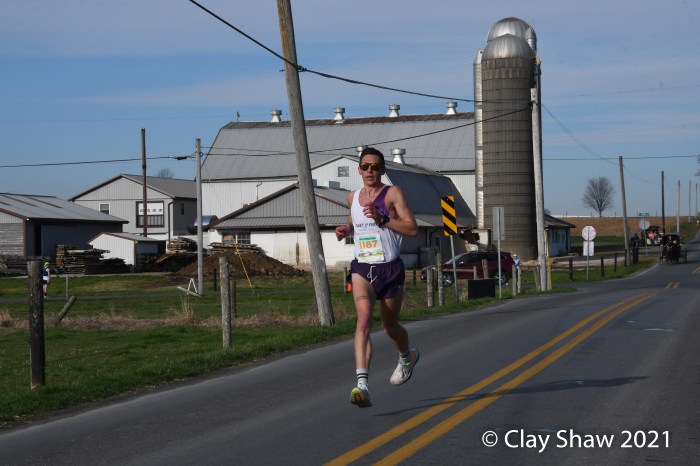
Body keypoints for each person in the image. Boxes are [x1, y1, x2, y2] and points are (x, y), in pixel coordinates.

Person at [335, 147, 419, 408]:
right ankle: (362, 386)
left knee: (390, 327)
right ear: (359, 170)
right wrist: (345, 229)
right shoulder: (352, 197)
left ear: (382, 169)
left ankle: (407, 357)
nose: (370, 170)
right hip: (363, 268)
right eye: (365, 166)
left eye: (374, 166)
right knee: (363, 321)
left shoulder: (393, 193)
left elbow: (412, 229)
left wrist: (384, 219)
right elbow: (354, 222)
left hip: (390, 269)